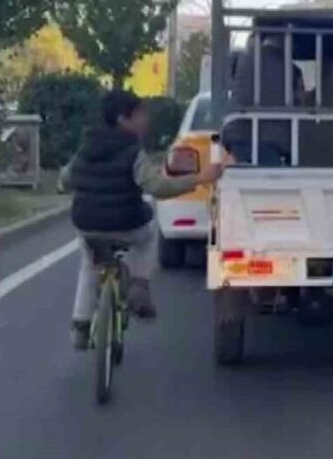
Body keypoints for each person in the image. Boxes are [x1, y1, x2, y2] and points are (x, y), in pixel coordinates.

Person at [60, 90, 223, 350]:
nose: (145, 120)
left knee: (89, 263)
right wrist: (200, 178)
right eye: (140, 114)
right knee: (146, 237)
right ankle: (139, 285)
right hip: (126, 223)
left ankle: (80, 325)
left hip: (86, 223)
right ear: (124, 119)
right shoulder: (133, 151)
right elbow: (157, 187)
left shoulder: (86, 147)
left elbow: (66, 179)